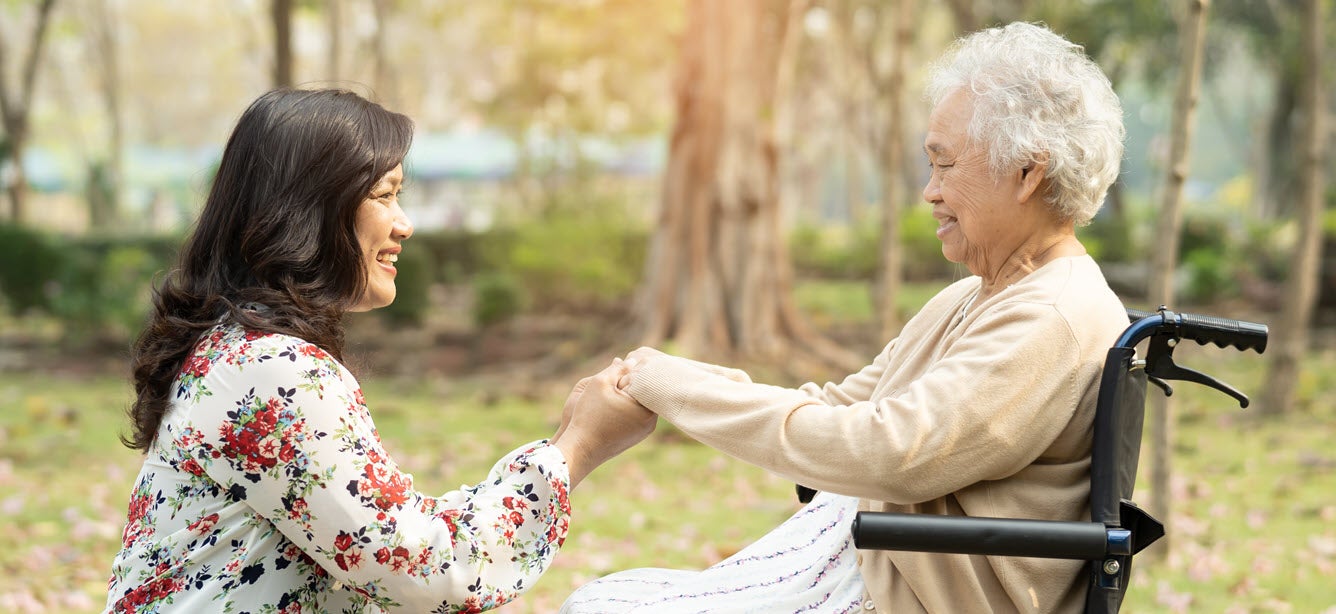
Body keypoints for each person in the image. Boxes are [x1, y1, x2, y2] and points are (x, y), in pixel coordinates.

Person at [562, 22, 1130, 613]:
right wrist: (669, 379)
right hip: (862, 573)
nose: (929, 192)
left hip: (902, 596)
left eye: (946, 165)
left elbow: (889, 451)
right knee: (602, 598)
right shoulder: (977, 299)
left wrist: (673, 389)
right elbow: (841, 409)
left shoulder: (1051, 318)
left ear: (1027, 172)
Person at [103, 88, 656, 613]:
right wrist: (580, 447)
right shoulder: (273, 371)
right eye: (384, 195)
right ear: (310, 209)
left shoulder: (235, 350)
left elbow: (390, 533)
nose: (405, 224)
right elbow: (424, 569)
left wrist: (562, 442)